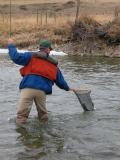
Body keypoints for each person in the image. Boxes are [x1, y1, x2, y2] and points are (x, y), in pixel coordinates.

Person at [8, 38, 73, 125]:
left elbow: (15, 57)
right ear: (48, 49)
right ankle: (44, 134)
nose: (50, 51)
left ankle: (22, 135)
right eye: (50, 49)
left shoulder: (30, 56)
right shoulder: (53, 65)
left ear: (40, 48)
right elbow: (61, 82)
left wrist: (11, 45)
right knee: (43, 116)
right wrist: (67, 88)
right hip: (41, 92)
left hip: (27, 89)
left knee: (21, 117)